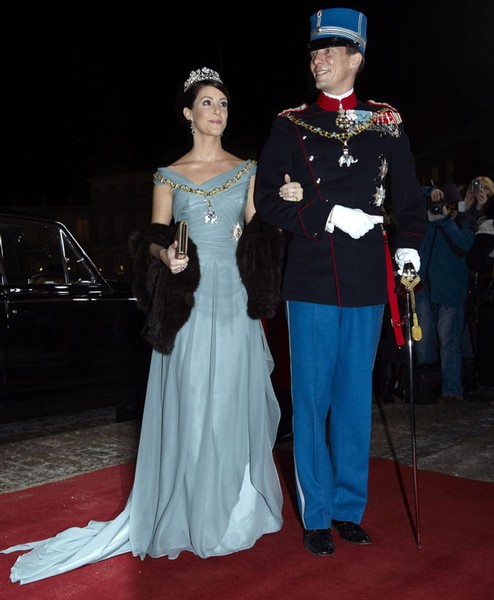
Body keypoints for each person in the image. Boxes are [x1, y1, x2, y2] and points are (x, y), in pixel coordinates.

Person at [2, 67, 293, 584]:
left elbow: (259, 235)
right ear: (188, 114)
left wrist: (280, 206)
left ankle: (235, 507)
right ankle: (189, 507)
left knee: (231, 399)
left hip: (233, 300)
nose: (218, 112)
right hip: (188, 304)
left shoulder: (248, 169)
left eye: (224, 103)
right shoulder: (167, 175)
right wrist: (167, 256)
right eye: (207, 103)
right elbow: (154, 239)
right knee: (192, 400)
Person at [254, 7, 427, 556]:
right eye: (314, 51)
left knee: (354, 398)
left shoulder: (386, 122)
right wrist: (325, 214)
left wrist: (408, 247)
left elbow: (410, 201)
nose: (318, 59)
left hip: (366, 277)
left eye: (330, 50)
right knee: (311, 399)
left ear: (356, 58)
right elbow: (266, 200)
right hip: (310, 277)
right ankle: (317, 513)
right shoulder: (290, 123)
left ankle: (349, 508)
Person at [413, 182, 475, 403]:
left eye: (451, 205)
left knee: (449, 343)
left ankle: (452, 390)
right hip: (425, 290)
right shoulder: (428, 220)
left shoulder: (463, 222)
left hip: (450, 293)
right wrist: (430, 193)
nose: (446, 209)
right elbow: (411, 191)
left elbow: (463, 244)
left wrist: (446, 220)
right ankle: (429, 389)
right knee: (423, 345)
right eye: (444, 204)